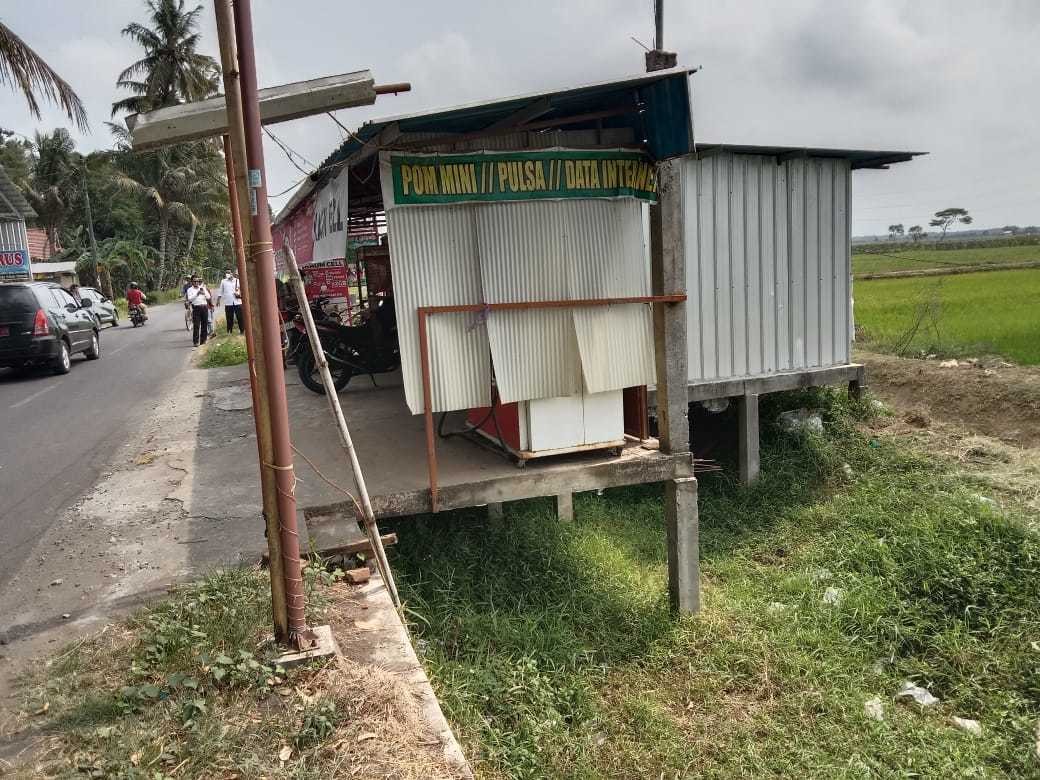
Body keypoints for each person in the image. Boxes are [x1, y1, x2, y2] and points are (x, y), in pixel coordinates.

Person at [184, 276, 212, 346]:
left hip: (204, 307)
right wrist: (197, 294)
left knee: (204, 324)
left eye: (197, 281)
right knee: (196, 325)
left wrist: (204, 293)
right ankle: (196, 342)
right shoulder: (190, 290)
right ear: (192, 282)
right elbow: (190, 299)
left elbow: (208, 297)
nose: (196, 282)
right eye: (194, 281)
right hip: (196, 308)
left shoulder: (202, 288)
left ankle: (203, 340)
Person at [216, 268, 244, 335]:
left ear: (232, 273)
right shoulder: (223, 281)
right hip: (228, 303)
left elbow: (242, 290)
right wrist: (218, 300)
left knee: (240, 317)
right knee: (229, 318)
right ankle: (229, 331)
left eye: (229, 272)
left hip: (238, 302)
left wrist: (239, 294)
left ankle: (242, 331)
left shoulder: (237, 281)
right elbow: (220, 291)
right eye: (226, 273)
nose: (227, 274)